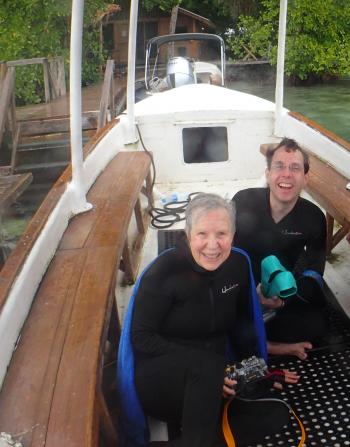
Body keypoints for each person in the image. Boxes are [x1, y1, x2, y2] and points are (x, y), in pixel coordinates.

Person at [127, 193, 299, 447]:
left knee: (275, 416)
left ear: (233, 234)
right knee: (206, 364)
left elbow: (243, 323)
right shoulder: (163, 274)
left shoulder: (239, 265)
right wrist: (205, 369)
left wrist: (256, 370)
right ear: (187, 233)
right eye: (202, 234)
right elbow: (141, 337)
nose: (213, 245)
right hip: (163, 381)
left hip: (215, 377)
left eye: (222, 234)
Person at [233, 138, 328, 360]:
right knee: (213, 313)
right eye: (279, 166)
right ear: (267, 174)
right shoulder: (243, 201)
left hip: (282, 292)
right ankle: (273, 346)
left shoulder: (314, 217)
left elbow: (315, 273)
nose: (286, 174)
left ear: (305, 178)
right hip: (242, 289)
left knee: (318, 327)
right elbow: (224, 253)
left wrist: (283, 300)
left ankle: (252, 339)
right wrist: (248, 293)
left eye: (295, 168)